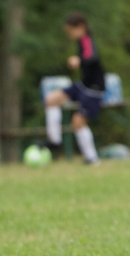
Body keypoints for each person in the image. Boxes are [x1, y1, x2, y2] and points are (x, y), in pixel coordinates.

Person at [44, 12, 104, 165]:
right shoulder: (81, 41)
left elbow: (93, 57)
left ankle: (92, 159)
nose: (69, 34)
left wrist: (79, 60)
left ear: (80, 27)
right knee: (51, 99)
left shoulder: (87, 40)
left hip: (94, 88)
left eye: (70, 31)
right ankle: (54, 141)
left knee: (77, 122)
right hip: (83, 85)